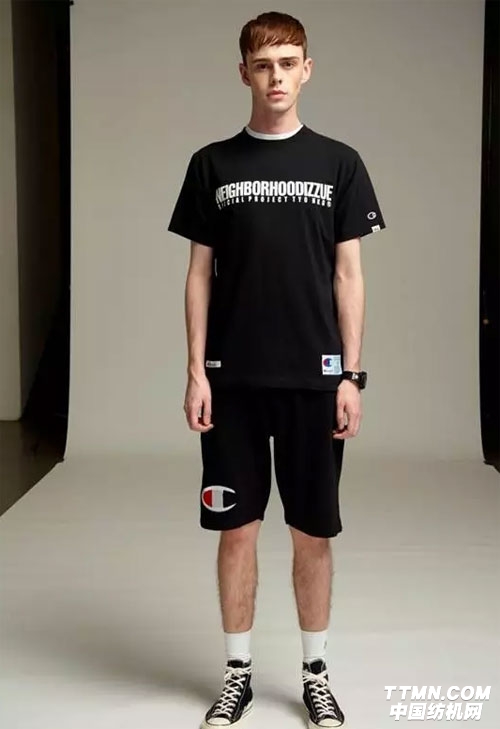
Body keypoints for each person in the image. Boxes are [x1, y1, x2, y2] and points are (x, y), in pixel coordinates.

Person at [167, 11, 386, 728]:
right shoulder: (211, 164)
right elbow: (198, 274)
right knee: (236, 530)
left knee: (311, 532)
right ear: (244, 73)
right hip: (231, 383)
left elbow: (348, 276)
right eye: (263, 65)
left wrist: (351, 375)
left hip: (313, 383)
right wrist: (196, 371)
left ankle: (315, 674)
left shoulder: (339, 163)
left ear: (307, 70)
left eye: (289, 63)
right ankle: (238, 674)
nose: (277, 77)